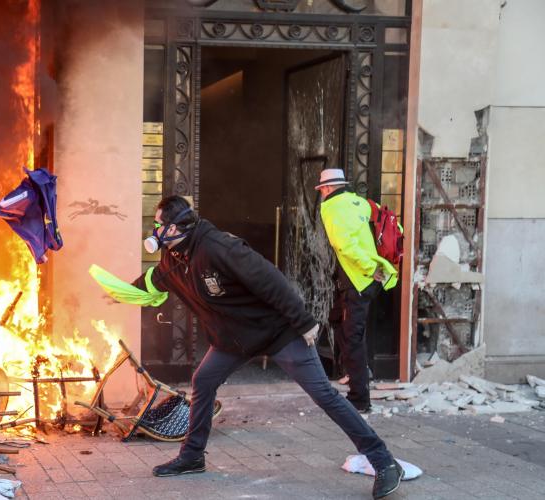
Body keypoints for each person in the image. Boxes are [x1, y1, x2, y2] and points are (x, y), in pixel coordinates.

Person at [129, 195, 403, 499]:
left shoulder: (220, 248)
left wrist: (303, 322)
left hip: (278, 332)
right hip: (235, 339)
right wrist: (126, 292)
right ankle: (192, 456)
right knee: (203, 381)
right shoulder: (174, 257)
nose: (154, 230)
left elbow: (270, 280)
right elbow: (157, 280)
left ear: (178, 227)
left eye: (159, 224)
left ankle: (383, 461)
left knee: (324, 394)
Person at [315, 169, 398, 413]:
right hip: (362, 280)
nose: (321, 194)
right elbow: (389, 221)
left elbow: (345, 245)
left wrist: (370, 267)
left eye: (321, 190)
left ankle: (359, 398)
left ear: (327, 189)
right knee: (338, 323)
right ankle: (353, 374)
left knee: (352, 337)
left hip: (359, 281)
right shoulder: (359, 202)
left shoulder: (332, 208)